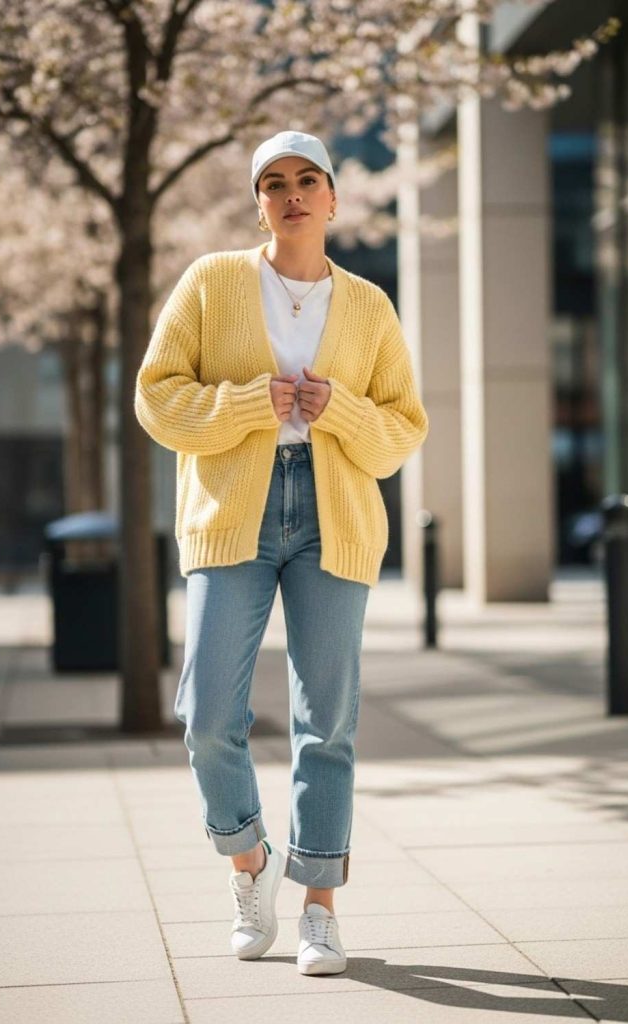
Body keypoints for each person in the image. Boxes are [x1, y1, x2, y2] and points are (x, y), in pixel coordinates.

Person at [134, 129, 429, 975]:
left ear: (334, 198)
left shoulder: (369, 307)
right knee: (208, 719)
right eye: (274, 183)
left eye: (307, 180)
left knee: (324, 722)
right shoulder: (213, 281)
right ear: (257, 201)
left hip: (333, 517)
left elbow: (401, 430)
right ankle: (249, 863)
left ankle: (319, 911)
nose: (291, 194)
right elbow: (158, 397)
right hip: (234, 512)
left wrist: (337, 411)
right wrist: (243, 407)